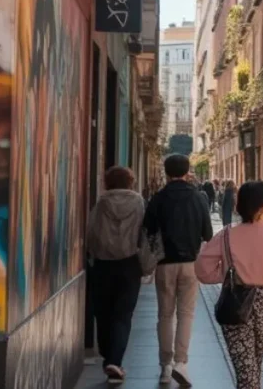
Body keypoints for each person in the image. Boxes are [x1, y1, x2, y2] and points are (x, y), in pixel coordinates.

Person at [195, 181, 263, 389]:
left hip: (235, 304)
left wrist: (226, 275)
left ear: (238, 204)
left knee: (247, 371)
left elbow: (202, 272)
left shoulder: (226, 234)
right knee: (251, 368)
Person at [143, 154, 214, 386]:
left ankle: (165, 366)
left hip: (165, 264)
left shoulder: (158, 198)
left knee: (164, 314)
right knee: (186, 315)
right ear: (187, 172)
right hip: (190, 264)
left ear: (166, 172)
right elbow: (208, 234)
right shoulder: (198, 197)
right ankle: (181, 363)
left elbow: (149, 231)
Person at [86, 166, 146, 384]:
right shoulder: (138, 202)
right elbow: (144, 230)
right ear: (130, 182)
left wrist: (92, 252)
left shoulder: (102, 203)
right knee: (123, 314)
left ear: (108, 182)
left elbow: (91, 230)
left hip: (103, 264)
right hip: (129, 264)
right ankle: (114, 360)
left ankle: (109, 357)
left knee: (103, 312)